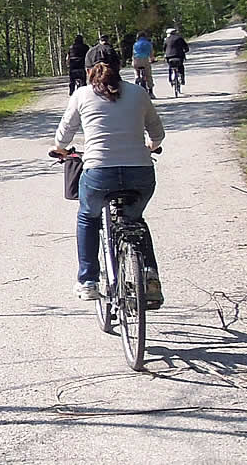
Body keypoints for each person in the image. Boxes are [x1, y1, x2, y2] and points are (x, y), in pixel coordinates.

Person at [52, 62, 166, 308]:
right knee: (135, 220)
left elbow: (64, 133)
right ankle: (148, 275)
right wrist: (151, 146)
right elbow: (157, 132)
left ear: (88, 72)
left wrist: (60, 150)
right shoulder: (138, 92)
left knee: (88, 216)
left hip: (99, 174)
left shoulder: (81, 94)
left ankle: (88, 281)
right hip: (140, 173)